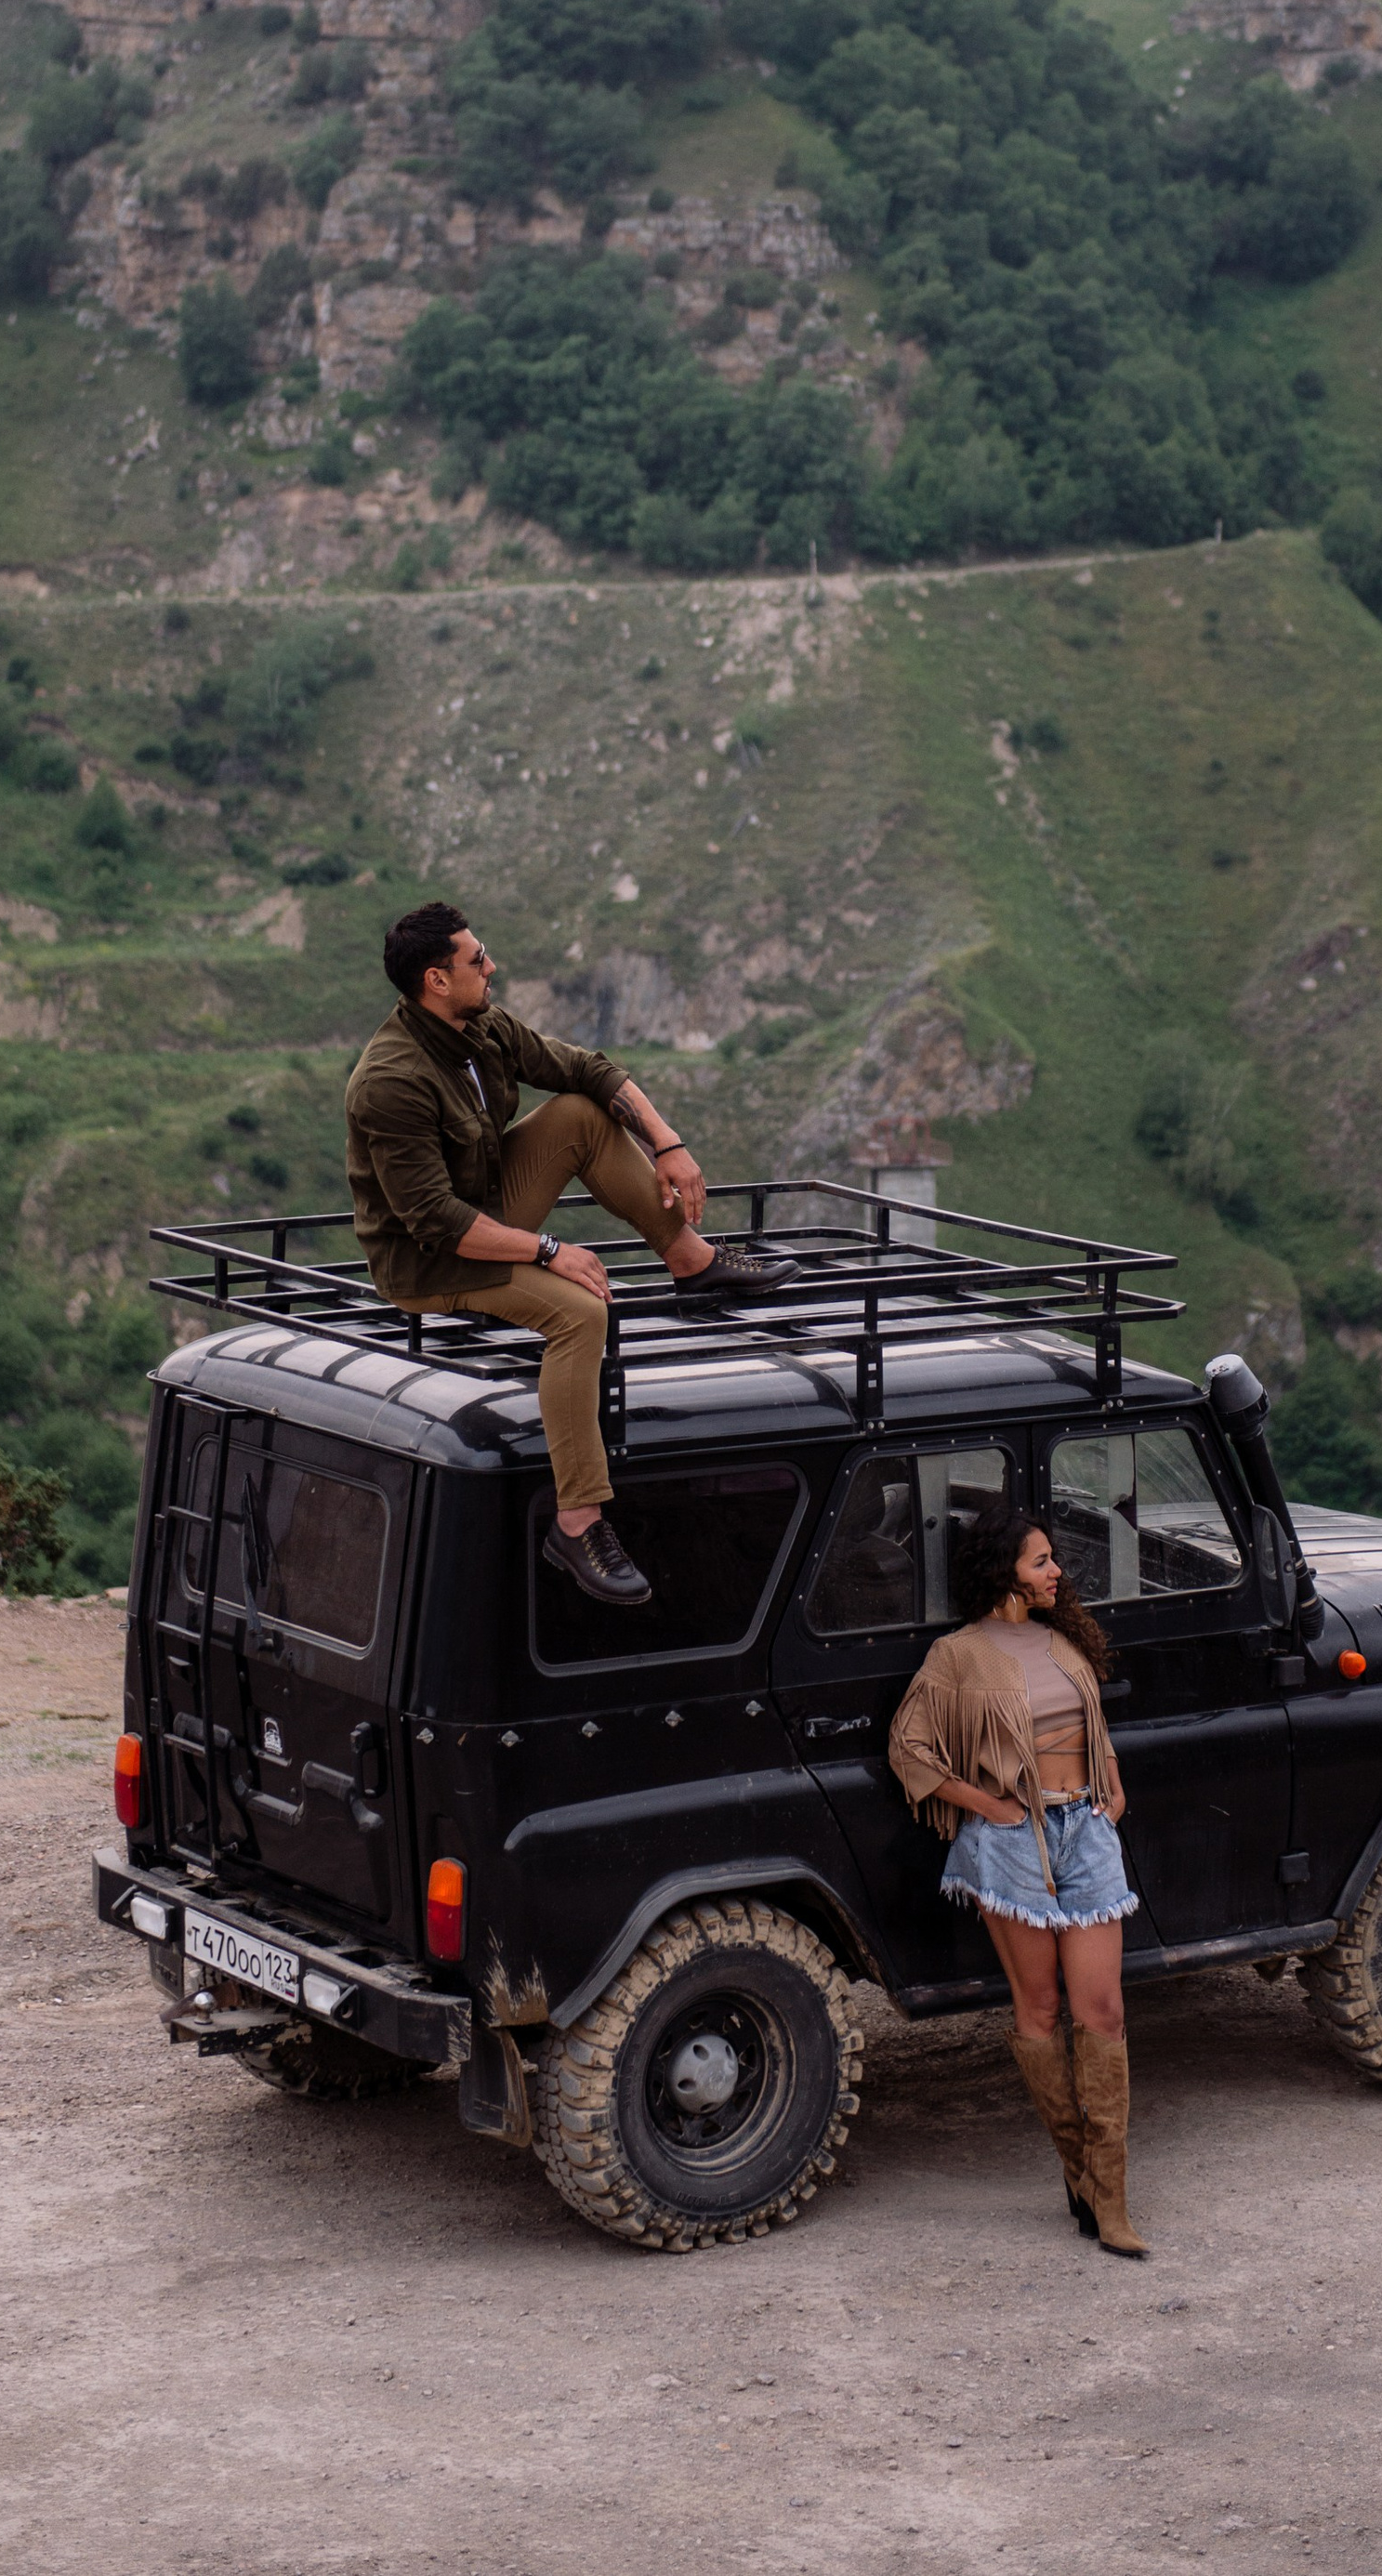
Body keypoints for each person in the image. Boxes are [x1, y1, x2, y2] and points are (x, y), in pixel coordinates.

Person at [344, 900, 793, 1608]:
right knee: (581, 1314)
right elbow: (434, 1221)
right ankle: (578, 1520)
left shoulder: (480, 1025)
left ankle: (691, 1262)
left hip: (486, 1204)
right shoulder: (390, 1082)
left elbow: (584, 1069)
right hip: (429, 1260)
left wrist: (667, 1142)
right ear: (436, 980)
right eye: (476, 959)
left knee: (581, 1114)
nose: (491, 966)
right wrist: (549, 1250)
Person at [887, 1504, 1147, 2255]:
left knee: (1102, 2010)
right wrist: (985, 1805)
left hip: (1087, 1833)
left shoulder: (1062, 1639)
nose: (1057, 1572)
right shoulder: (958, 1655)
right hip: (1010, 1842)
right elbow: (909, 1747)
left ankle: (1113, 2190)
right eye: (1042, 1562)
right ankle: (1082, 2176)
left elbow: (1092, 1722)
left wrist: (1113, 1782)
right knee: (1039, 2009)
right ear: (1004, 1571)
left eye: (1052, 1561)